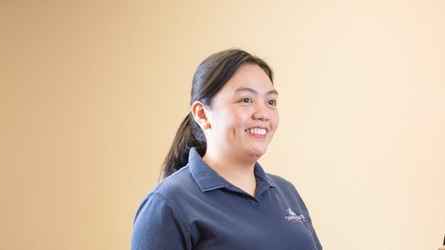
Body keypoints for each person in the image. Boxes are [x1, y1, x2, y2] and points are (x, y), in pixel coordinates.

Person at [131, 49, 322, 250]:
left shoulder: (286, 192)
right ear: (202, 114)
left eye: (271, 102)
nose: (263, 114)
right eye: (246, 100)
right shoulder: (167, 204)